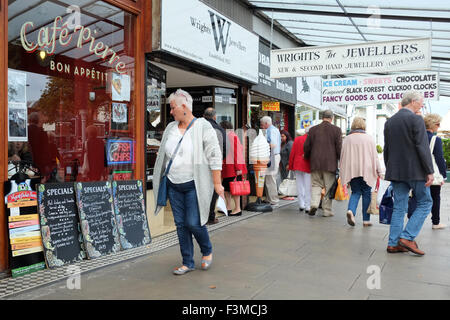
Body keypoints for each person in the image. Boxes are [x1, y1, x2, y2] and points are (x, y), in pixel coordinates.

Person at [153, 89, 224, 275]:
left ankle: (207, 249)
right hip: (173, 184)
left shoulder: (203, 126)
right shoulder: (170, 128)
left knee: (194, 222)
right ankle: (187, 262)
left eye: (172, 107)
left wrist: (217, 183)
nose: (170, 111)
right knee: (180, 224)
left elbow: (215, 155)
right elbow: (163, 156)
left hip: (194, 184)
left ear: (184, 106)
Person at [384, 91, 434, 255]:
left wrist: (389, 168)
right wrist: (429, 171)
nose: (422, 105)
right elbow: (422, 146)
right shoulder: (416, 119)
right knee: (425, 202)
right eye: (421, 103)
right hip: (416, 171)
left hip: (396, 171)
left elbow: (387, 149)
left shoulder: (390, 122)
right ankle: (407, 237)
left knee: (399, 207)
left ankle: (393, 243)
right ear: (413, 101)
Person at [339, 117, 382, 227]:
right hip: (367, 169)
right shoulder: (369, 138)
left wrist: (342, 170)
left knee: (356, 192)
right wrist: (379, 170)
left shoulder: (347, 139)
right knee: (366, 193)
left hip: (352, 169)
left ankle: (351, 211)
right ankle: (366, 220)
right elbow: (375, 156)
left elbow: (342, 156)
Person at [408, 114, 447, 229]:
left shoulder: (415, 138)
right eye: (438, 124)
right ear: (433, 124)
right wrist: (443, 176)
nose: (438, 127)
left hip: (416, 173)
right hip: (432, 174)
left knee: (416, 196)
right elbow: (439, 159)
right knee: (435, 197)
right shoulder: (436, 139)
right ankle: (436, 222)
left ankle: (412, 219)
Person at [303, 110, 342, 217]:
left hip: (315, 163)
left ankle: (314, 204)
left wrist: (307, 157)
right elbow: (339, 148)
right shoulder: (336, 130)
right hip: (330, 164)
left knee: (316, 185)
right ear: (332, 118)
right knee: (329, 187)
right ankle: (327, 210)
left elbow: (307, 146)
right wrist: (340, 160)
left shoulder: (313, 129)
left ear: (322, 117)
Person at [203, 107, 227, 224]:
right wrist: (219, 160)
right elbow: (225, 148)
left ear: (204, 116)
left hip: (199, 164)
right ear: (215, 117)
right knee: (213, 190)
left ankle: (200, 216)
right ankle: (210, 216)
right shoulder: (220, 129)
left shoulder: (197, 127)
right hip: (214, 165)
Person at [220, 120, 247, 216]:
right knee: (227, 188)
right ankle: (229, 207)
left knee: (234, 189)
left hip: (232, 168)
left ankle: (237, 208)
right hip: (229, 167)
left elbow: (237, 152)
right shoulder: (231, 136)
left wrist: (238, 167)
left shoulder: (231, 136)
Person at [289, 127, 311, 213]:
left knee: (299, 185)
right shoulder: (312, 140)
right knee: (308, 186)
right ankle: (308, 206)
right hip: (308, 165)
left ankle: (301, 204)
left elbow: (292, 153)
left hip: (297, 164)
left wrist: (290, 165)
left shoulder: (297, 139)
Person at [260, 116, 281, 205]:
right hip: (274, 156)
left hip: (272, 156)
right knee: (269, 178)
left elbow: (272, 144)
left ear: (266, 123)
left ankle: (273, 200)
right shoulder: (275, 129)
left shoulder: (270, 130)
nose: (261, 126)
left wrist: (262, 145)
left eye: (262, 124)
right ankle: (269, 198)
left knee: (270, 178)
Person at [27, 112, 54, 182]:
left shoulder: (26, 131)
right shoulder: (41, 131)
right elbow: (46, 150)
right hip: (40, 163)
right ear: (38, 120)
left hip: (28, 162)